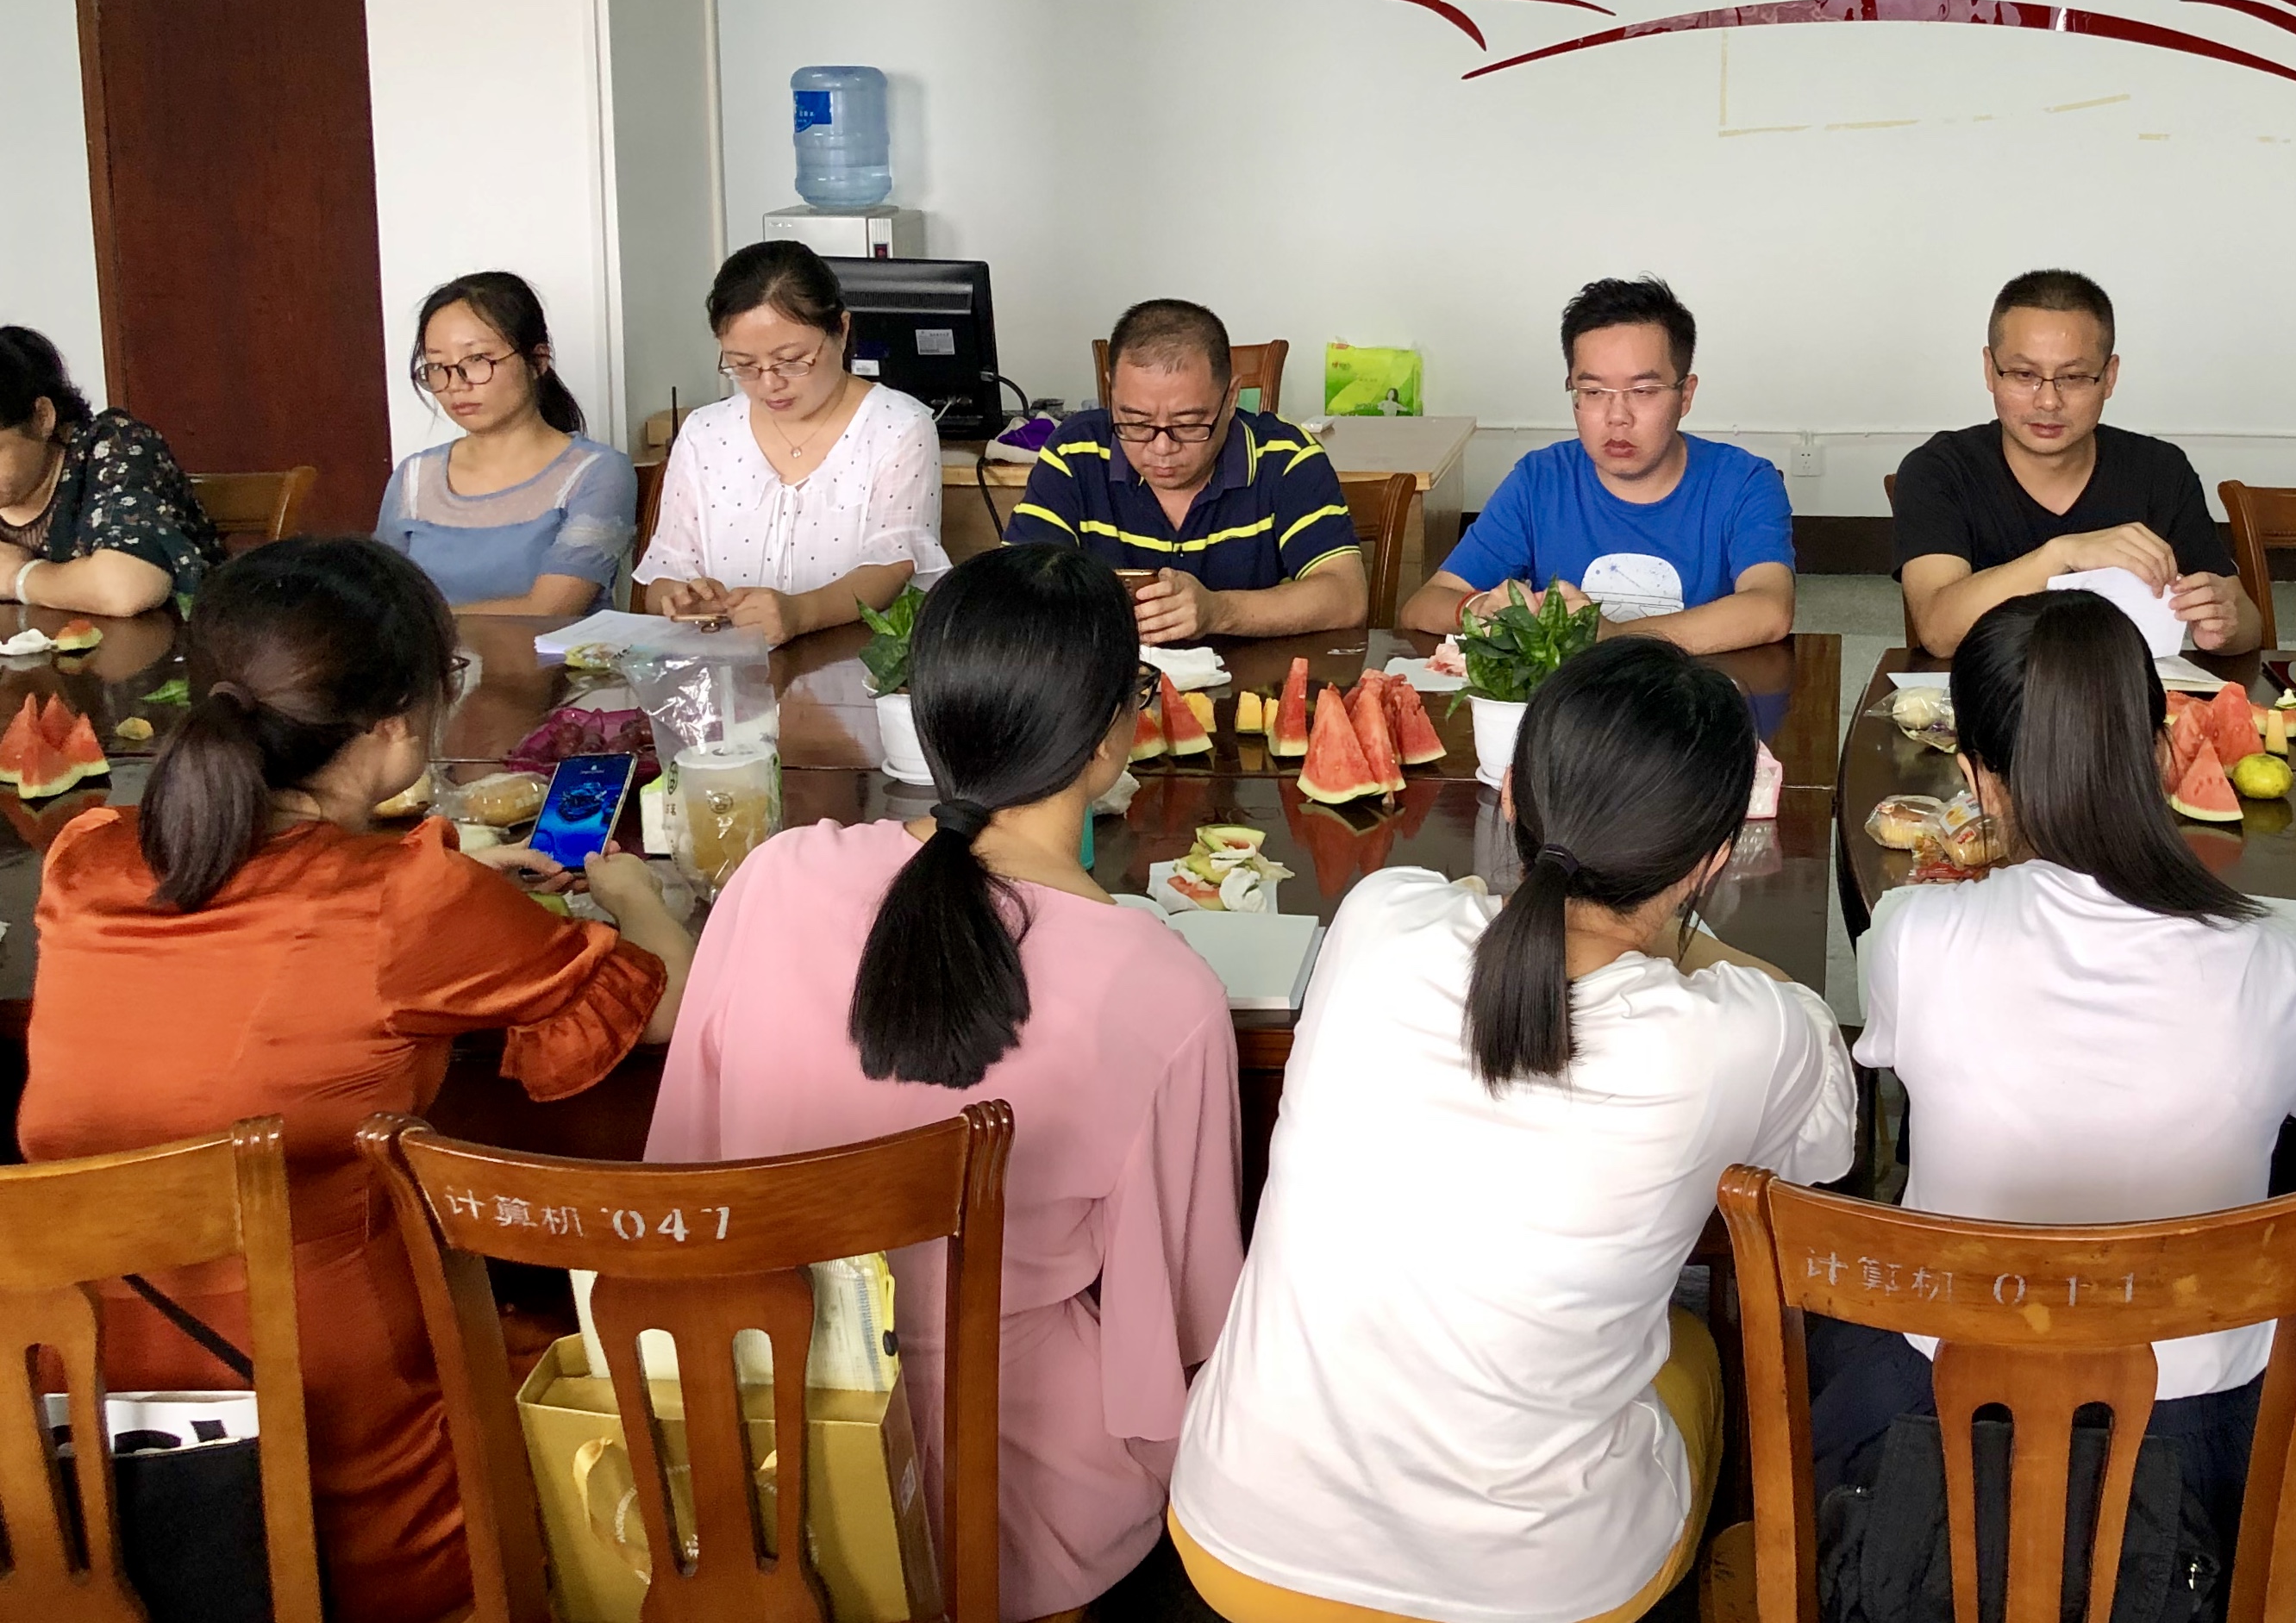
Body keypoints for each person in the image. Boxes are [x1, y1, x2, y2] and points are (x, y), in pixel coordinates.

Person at [19, 537, 689, 1623]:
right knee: (559, 1338)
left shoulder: (85, 856)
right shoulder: (406, 899)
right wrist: (638, 896)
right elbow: (660, 1006)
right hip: (351, 1473)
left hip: (87, 1450)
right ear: (394, 724)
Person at [1167, 638, 1855, 1623]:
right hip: (1542, 1594)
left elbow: (1485, 920)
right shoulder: (1739, 1037)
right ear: (1711, 859)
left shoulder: (1379, 918)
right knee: (1693, 1349)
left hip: (1240, 1541)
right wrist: (1687, 940)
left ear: (1510, 801)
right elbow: (1826, 1148)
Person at [649, 544, 1242, 1618]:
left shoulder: (773, 879)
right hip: (1024, 1513)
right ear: (1114, 734)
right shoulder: (1163, 991)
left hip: (770, 1481)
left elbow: (682, 1188)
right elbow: (1183, 1328)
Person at [1828, 590, 2296, 1533]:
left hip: (1942, 1417)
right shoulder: (2272, 963)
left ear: (1976, 780)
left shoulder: (1910, 935)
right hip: (2193, 1449)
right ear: (2163, 751)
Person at [1401, 277, 1796, 654]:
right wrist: (1480, 607)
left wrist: (1612, 636)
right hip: (1570, 703)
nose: (1617, 416)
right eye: (1592, 392)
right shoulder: (1540, 481)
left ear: (1685, 396)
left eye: (1643, 391)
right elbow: (1424, 606)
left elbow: (1769, 608)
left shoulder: (1743, 482)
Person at [1891, 269, 2256, 659]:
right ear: (1989, 371)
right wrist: (2060, 556)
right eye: (2024, 374)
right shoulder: (1940, 470)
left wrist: (2226, 625)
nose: (2049, 401)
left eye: (2075, 377)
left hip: (2121, 692)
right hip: (1985, 691)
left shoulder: (2160, 470)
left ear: (2109, 377)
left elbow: (2249, 624)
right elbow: (1938, 631)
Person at [636, 240, 948, 642]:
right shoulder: (705, 433)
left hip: (852, 663)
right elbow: (664, 572)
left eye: (791, 361)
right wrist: (683, 599)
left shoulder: (899, 427)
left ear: (841, 330)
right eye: (744, 365)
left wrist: (801, 612)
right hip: (727, 665)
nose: (769, 384)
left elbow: (892, 565)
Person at [1013, 298, 1364, 645]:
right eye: (1136, 422)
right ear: (1110, 392)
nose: (1161, 448)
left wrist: (1218, 611)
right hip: (1113, 677)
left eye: (1188, 424)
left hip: (1253, 680)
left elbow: (1347, 597)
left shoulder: (1285, 458)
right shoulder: (1076, 453)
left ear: (1231, 398)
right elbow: (1016, 592)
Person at [376, 272, 637, 615]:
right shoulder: (414, 478)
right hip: (429, 652)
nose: (456, 384)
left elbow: (549, 610)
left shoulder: (597, 473)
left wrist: (420, 623)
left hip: (545, 654)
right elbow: (379, 602)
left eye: (477, 360)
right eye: (438, 366)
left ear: (538, 361)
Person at [0, 324, 222, 616]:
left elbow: (128, 588)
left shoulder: (113, 446)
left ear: (42, 418)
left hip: (182, 638)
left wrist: (16, 577)